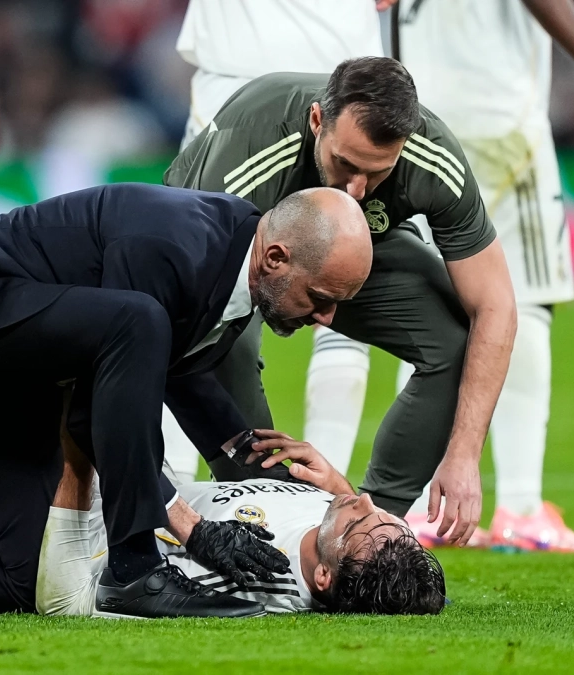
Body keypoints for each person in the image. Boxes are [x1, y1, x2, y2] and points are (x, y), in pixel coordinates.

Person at [0, 183, 373, 618]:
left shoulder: (235, 254)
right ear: (275, 257)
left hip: (13, 376)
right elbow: (98, 408)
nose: (327, 318)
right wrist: (190, 527)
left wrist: (261, 469)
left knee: (28, 577)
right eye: (319, 297)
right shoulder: (177, 249)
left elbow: (179, 373)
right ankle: (135, 571)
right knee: (139, 321)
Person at [165, 57, 518, 547]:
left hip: (350, 251)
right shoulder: (249, 155)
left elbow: (495, 308)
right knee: (228, 361)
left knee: (456, 340)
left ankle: (371, 536)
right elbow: (195, 300)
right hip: (227, 261)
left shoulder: (434, 160)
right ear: (316, 123)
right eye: (345, 164)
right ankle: (266, 526)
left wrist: (463, 454)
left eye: (376, 174)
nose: (355, 189)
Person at [396, 0, 574, 551]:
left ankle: (421, 508)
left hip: (424, 115)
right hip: (498, 113)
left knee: (427, 307)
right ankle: (520, 508)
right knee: (530, 302)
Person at [165, 0, 397, 482]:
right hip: (338, 75)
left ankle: (173, 495)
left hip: (246, 73)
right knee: (332, 294)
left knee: (189, 302)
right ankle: (313, 496)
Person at [38, 429, 446, 617]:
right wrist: (339, 492)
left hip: (76, 501)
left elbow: (87, 589)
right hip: (139, 477)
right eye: (389, 518)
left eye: (360, 520)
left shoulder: (261, 575)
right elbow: (393, 578)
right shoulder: (338, 534)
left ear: (323, 576)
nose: (366, 499)